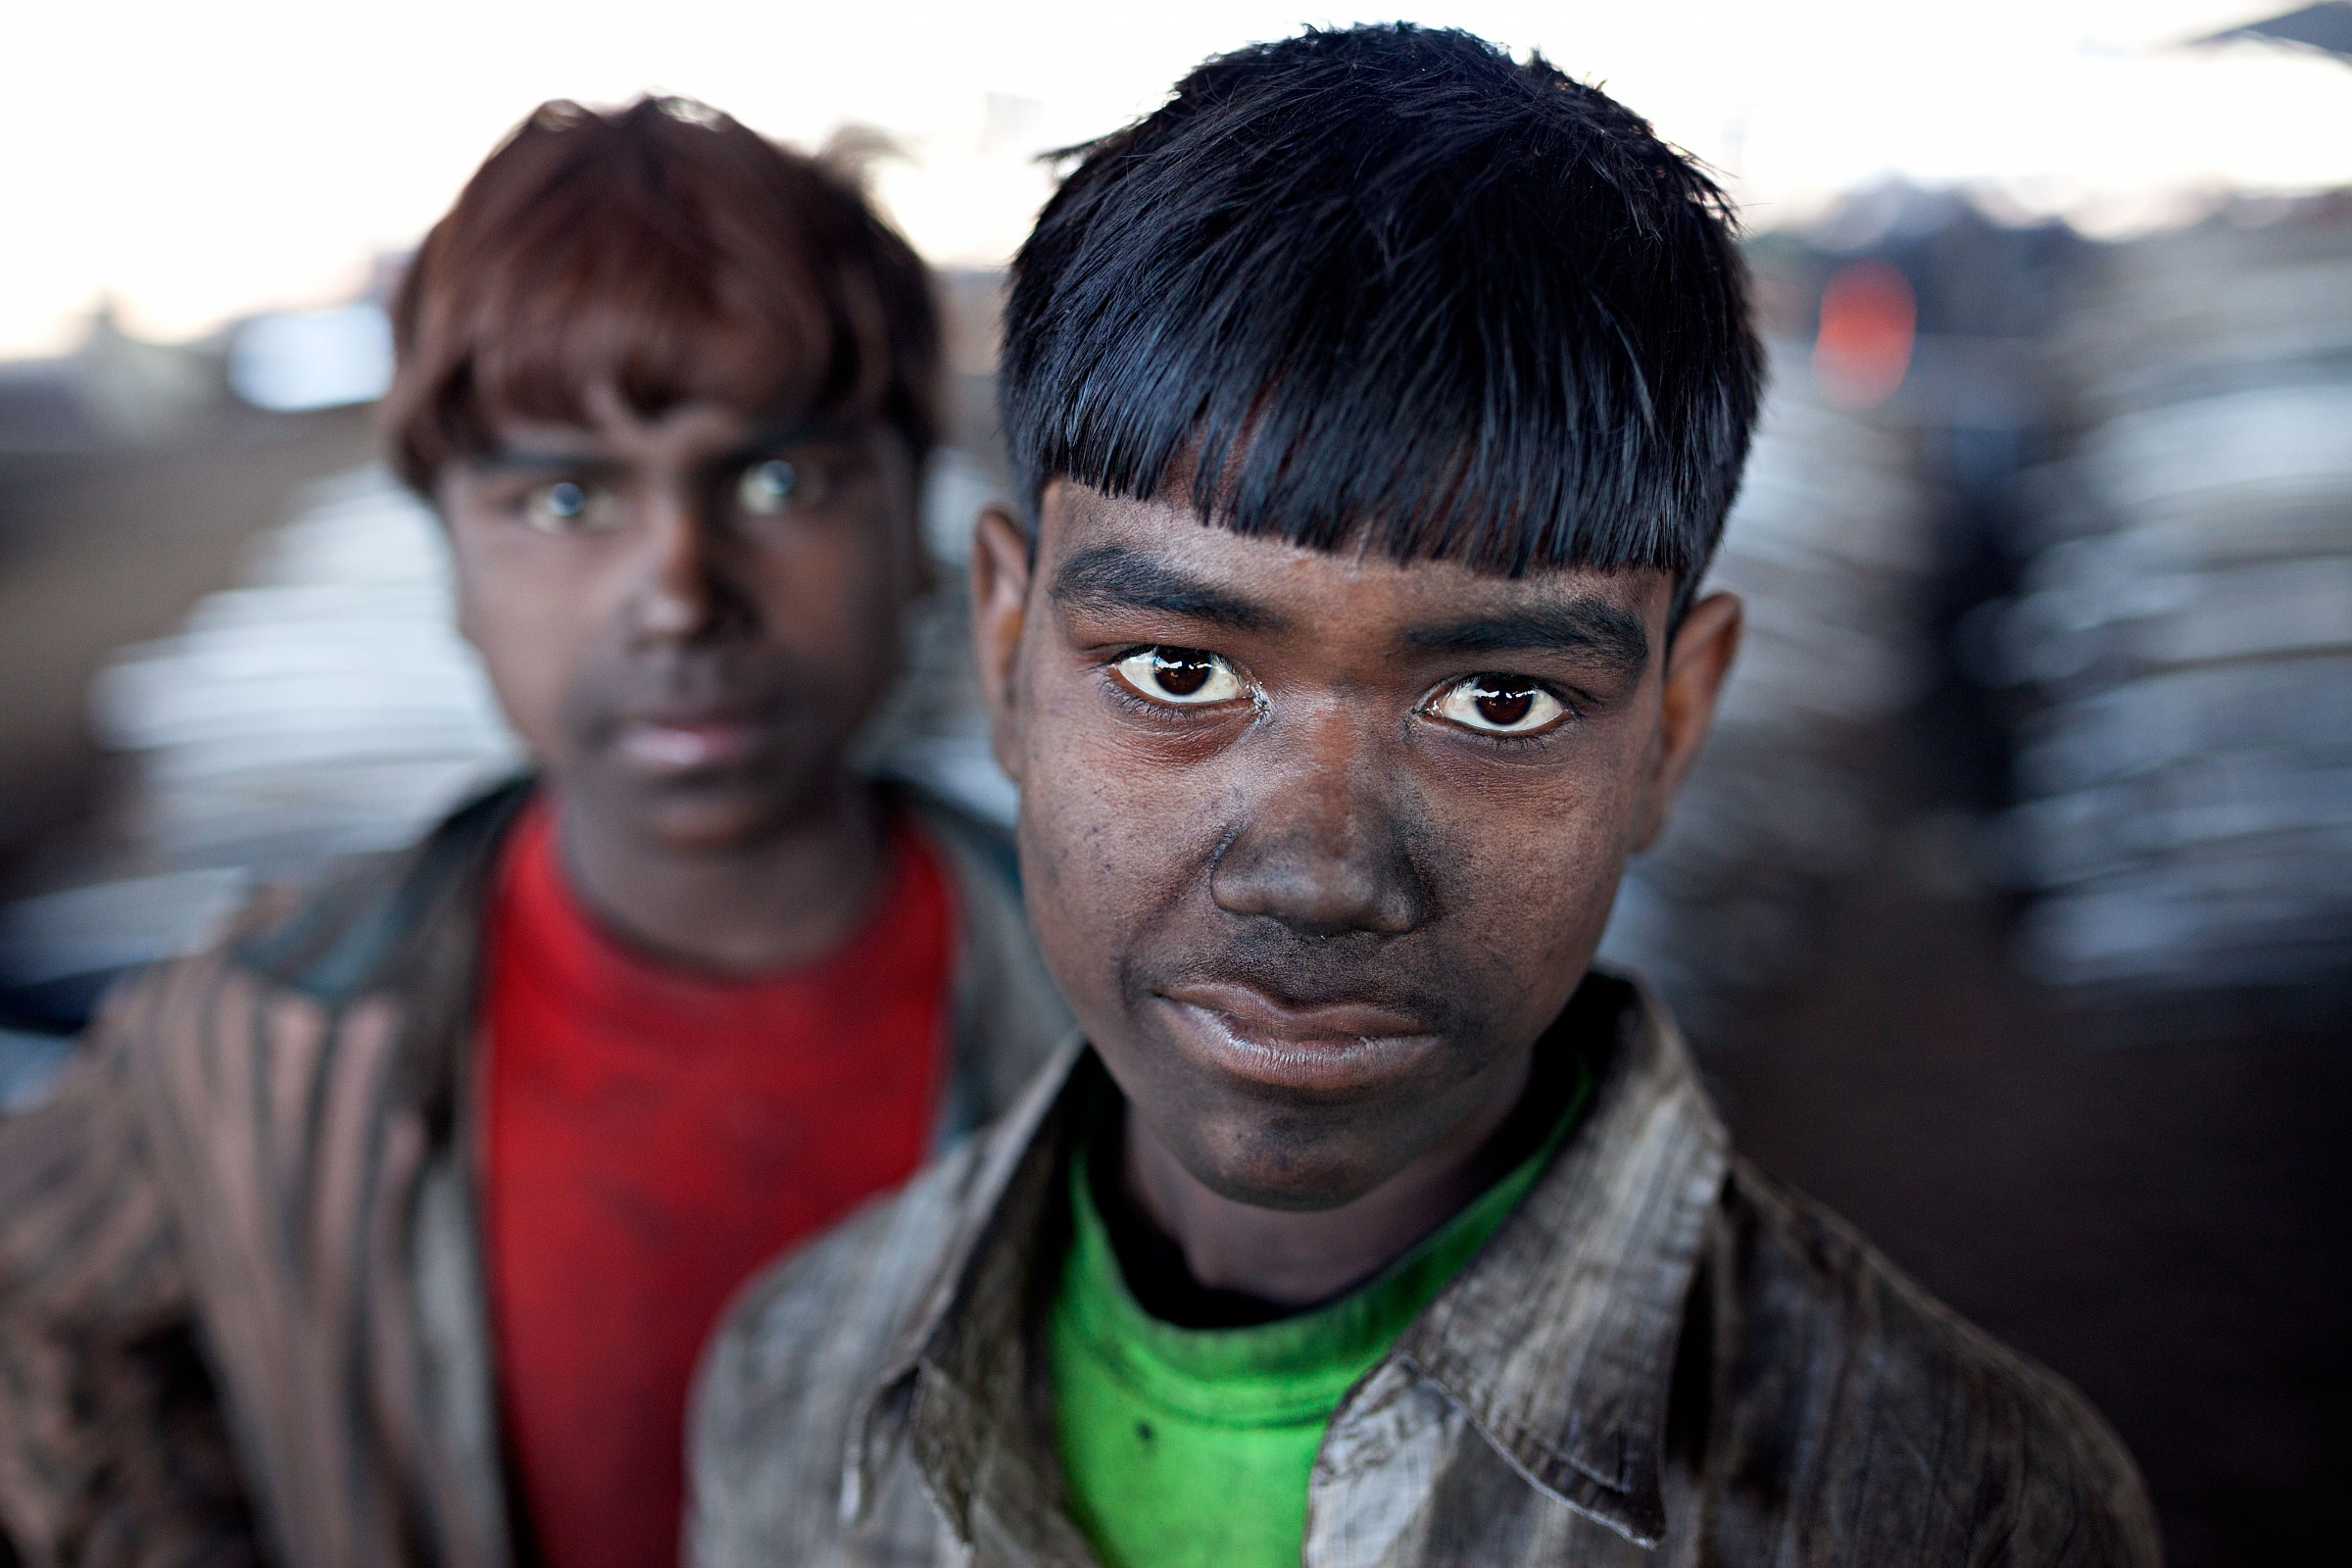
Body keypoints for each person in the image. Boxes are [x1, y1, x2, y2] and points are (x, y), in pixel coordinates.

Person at [690, 26, 2161, 1568]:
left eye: (1500, 703)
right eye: (1180, 675)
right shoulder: (803, 1381)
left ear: (1671, 724)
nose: (1319, 870)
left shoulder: (1955, 1506)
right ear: (1006, 651)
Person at [0, 97, 1069, 1568]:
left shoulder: (1124, 1014)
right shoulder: (263, 1032)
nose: (681, 591)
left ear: (918, 525)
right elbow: (28, 1287)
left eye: (781, 480)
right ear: (448, 556)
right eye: (566, 496)